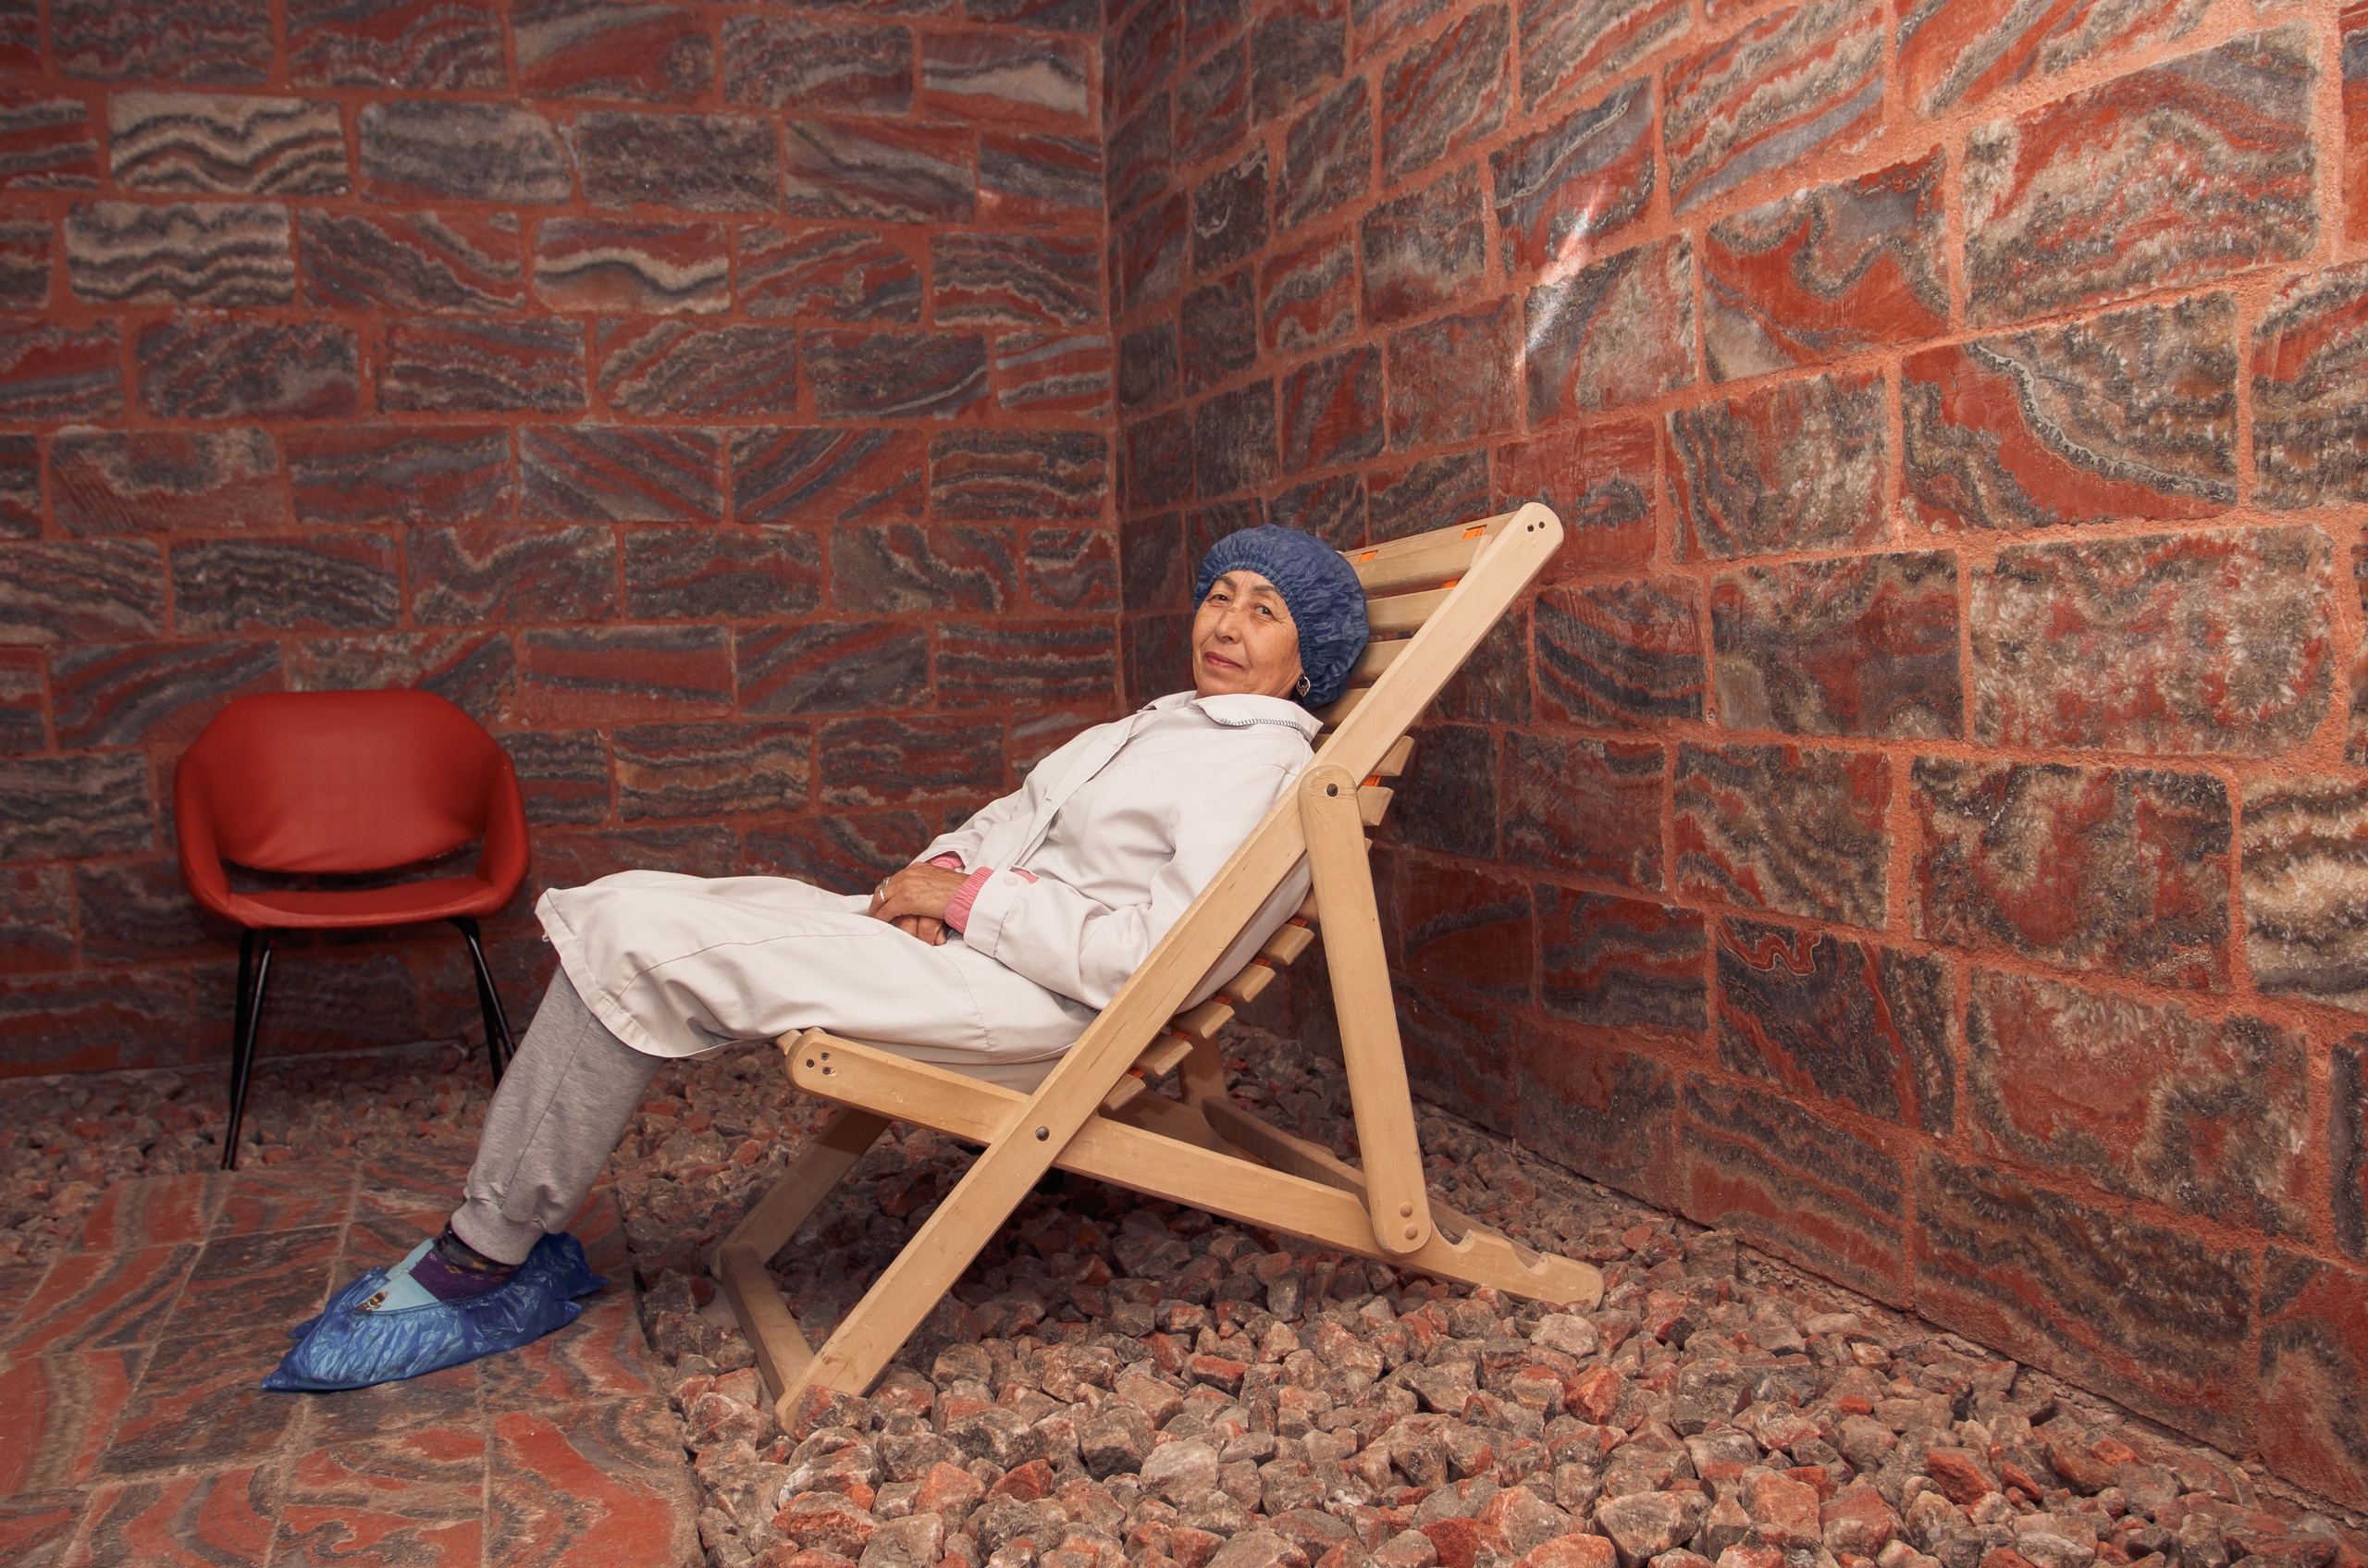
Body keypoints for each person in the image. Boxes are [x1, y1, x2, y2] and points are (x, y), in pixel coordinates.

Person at [266, 525, 1370, 1389]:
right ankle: (509, 1231)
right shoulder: (1166, 723)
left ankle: (485, 1256)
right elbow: (1011, 817)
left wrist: (965, 902)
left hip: (1041, 1004)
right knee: (649, 901)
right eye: (1220, 595)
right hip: (980, 947)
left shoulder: (1258, 772)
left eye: (1264, 612)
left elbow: (1152, 961)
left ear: (1306, 662)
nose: (1227, 622)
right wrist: (937, 876)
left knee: (640, 938)